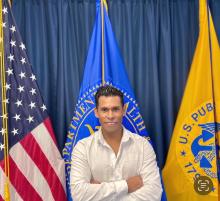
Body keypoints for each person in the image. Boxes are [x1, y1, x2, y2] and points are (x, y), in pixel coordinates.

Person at [70, 85, 162, 201]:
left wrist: (99, 192)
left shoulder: (143, 146)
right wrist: (127, 186)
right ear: (96, 112)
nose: (110, 116)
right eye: (104, 110)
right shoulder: (82, 148)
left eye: (115, 109)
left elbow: (154, 193)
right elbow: (79, 194)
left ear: (123, 110)